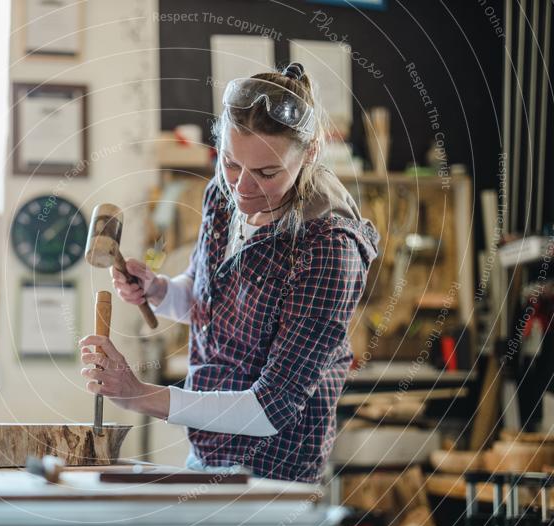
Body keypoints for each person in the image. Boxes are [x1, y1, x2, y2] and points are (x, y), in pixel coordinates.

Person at [79, 62, 379, 482]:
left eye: (267, 172)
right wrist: (159, 290)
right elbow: (207, 303)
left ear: (309, 154)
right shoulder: (222, 197)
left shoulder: (328, 248)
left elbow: (270, 407)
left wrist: (140, 394)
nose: (242, 187)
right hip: (206, 456)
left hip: (274, 476)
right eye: (232, 163)